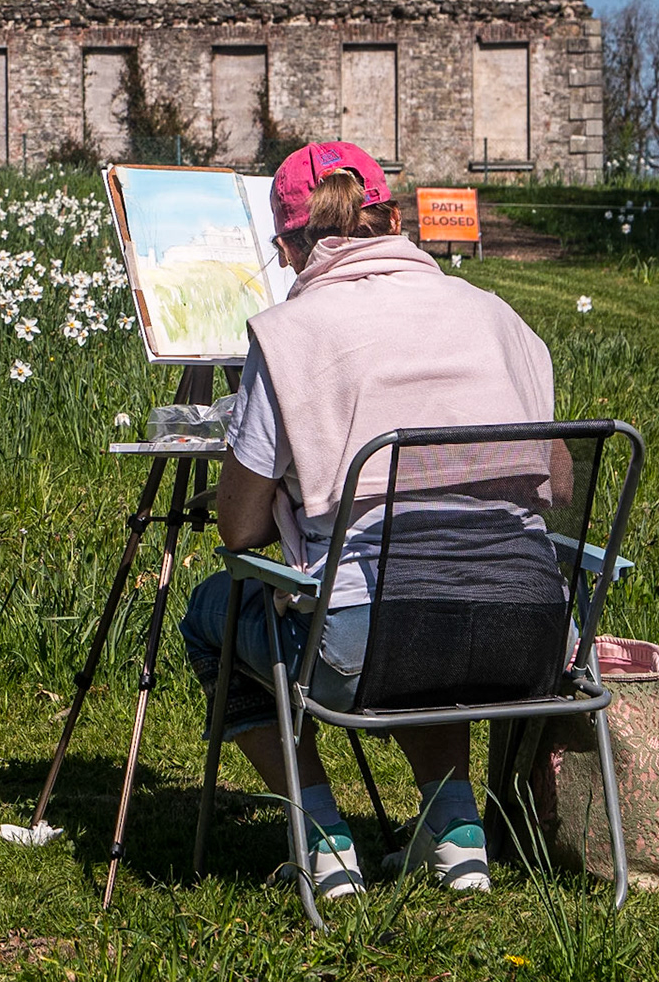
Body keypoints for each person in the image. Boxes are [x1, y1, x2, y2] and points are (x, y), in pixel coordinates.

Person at [179, 140, 558, 899]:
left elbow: (239, 529)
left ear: (291, 244)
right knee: (434, 584)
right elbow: (560, 477)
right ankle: (456, 839)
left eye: (283, 254)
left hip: (374, 641)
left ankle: (322, 843)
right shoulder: (495, 315)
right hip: (533, 636)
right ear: (391, 221)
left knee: (214, 612)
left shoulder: (290, 334)